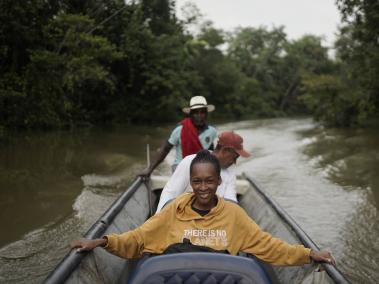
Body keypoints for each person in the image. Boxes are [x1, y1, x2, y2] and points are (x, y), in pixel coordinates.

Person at [71, 150, 335, 266]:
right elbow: (139, 238)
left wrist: (309, 253)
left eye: (210, 181)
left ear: (219, 182)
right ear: (191, 182)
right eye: (197, 181)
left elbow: (269, 246)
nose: (203, 187)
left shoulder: (233, 215)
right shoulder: (174, 210)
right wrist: (102, 241)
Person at [155, 131, 250, 213]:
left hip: (214, 218)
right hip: (184, 216)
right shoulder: (190, 162)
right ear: (225, 150)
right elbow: (170, 193)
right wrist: (159, 219)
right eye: (235, 157)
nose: (234, 162)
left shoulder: (230, 171)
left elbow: (231, 201)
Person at [139, 96, 217, 176]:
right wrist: (149, 170)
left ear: (206, 114)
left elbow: (210, 151)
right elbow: (165, 150)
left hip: (200, 168)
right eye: (196, 112)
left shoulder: (212, 131)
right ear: (190, 114)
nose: (199, 115)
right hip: (180, 167)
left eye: (202, 112)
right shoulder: (180, 129)